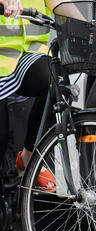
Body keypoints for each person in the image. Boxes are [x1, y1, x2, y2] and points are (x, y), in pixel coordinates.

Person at [0, 0, 68, 191]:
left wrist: (88, 25)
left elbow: (60, 4)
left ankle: (29, 157)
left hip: (27, 55)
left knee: (58, 82)